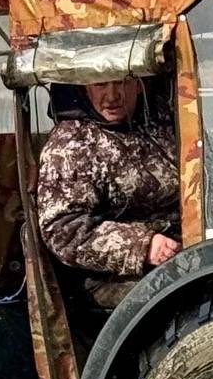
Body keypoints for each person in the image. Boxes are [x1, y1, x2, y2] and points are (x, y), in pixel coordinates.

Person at [35, 74, 182, 318]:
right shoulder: (71, 144)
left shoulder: (160, 122)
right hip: (110, 277)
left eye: (122, 82)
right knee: (184, 299)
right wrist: (142, 246)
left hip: (181, 249)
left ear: (138, 85)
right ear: (84, 87)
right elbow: (64, 231)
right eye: (100, 83)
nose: (113, 95)